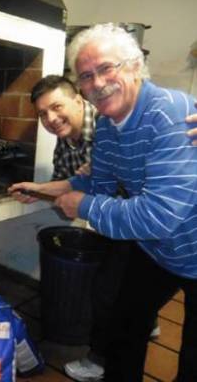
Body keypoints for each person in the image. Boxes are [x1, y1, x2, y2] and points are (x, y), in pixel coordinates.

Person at [10, 23, 197, 381]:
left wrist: (83, 205)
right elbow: (101, 182)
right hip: (157, 250)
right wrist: (48, 189)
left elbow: (158, 217)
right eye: (86, 75)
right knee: (125, 325)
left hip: (190, 243)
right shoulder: (111, 125)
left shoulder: (169, 114)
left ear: (135, 66)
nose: (97, 82)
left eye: (106, 68)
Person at [15, 74, 161, 381]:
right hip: (119, 220)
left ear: (79, 100)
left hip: (149, 217)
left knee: (108, 292)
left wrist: (98, 175)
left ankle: (99, 358)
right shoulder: (65, 144)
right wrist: (40, 190)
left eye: (56, 107)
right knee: (124, 290)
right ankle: (145, 317)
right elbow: (71, 196)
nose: (51, 119)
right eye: (42, 114)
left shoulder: (113, 124)